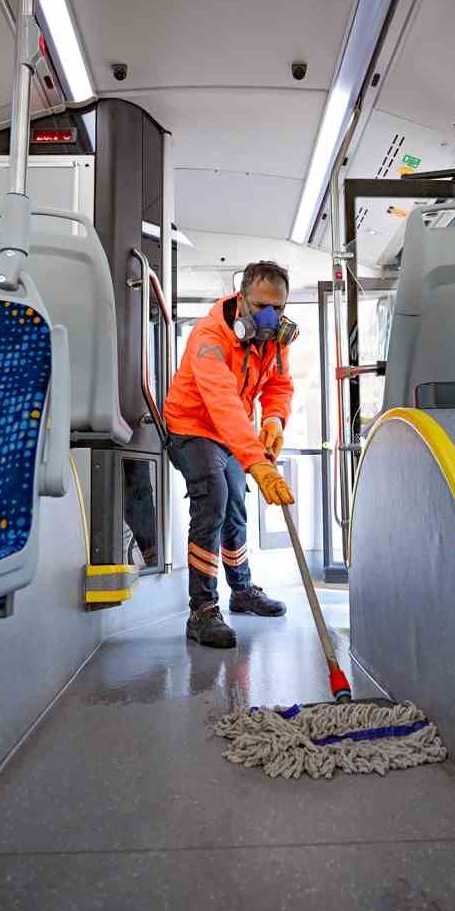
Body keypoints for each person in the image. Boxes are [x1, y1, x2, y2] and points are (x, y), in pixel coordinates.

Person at [163, 260, 297, 648]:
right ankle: (202, 610)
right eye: (260, 307)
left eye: (279, 308)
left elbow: (279, 385)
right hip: (192, 427)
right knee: (214, 498)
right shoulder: (209, 337)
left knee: (236, 502)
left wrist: (273, 420)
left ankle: (242, 591)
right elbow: (221, 403)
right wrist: (256, 461)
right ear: (241, 300)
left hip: (230, 434)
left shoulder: (273, 340)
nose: (270, 316)